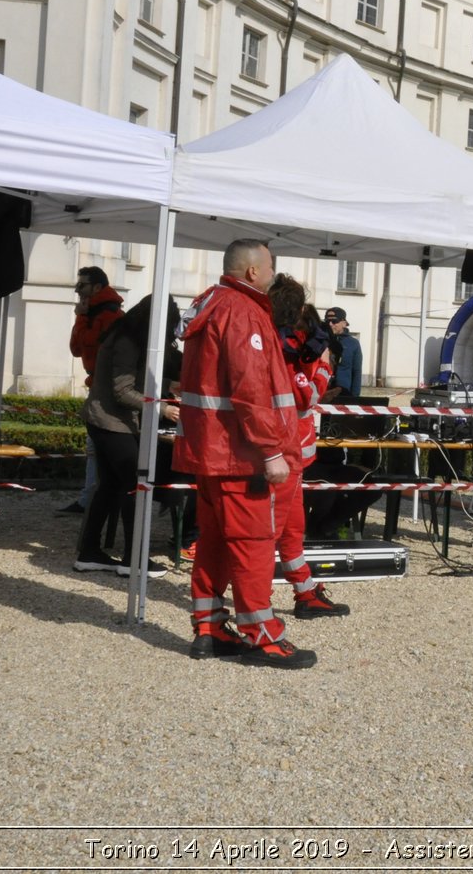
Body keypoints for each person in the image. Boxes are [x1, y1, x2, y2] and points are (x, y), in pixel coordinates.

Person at [174, 239, 315, 669]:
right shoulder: (243, 311)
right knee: (253, 544)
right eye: (269, 266)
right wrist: (271, 449)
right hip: (240, 455)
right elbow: (250, 387)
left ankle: (211, 627)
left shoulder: (213, 304)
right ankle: (262, 637)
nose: (273, 275)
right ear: (253, 271)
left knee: (215, 540)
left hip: (212, 452)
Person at [73, 295, 177, 577]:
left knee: (108, 486)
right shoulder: (127, 342)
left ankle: (89, 552)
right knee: (135, 484)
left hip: (104, 419)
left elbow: (133, 379)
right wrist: (162, 407)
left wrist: (168, 384)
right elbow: (122, 391)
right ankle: (134, 558)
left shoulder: (124, 334)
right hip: (110, 421)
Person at [268, 276, 350, 618]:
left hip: (292, 456)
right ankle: (256, 602)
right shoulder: (285, 351)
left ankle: (304, 592)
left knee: (291, 531)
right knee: (270, 533)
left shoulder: (287, 348)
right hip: (283, 456)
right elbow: (305, 398)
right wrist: (323, 368)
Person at [60, 267, 124, 516]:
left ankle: (94, 500)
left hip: (106, 389)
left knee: (97, 446)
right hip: (98, 386)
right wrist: (81, 317)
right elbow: (77, 349)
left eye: (83, 285)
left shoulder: (109, 315)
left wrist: (82, 318)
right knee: (94, 447)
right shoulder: (94, 314)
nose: (78, 290)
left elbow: (88, 347)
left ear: (97, 288)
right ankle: (90, 498)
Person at [323, 306, 362, 398]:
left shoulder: (353, 343)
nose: (330, 324)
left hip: (344, 392)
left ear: (344, 323)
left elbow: (356, 371)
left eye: (335, 322)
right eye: (327, 321)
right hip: (324, 390)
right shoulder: (321, 341)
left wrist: (355, 396)